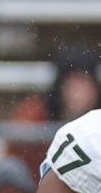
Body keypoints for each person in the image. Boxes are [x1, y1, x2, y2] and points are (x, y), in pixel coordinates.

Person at [7, 52, 101, 180]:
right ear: (61, 86)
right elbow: (14, 150)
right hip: (40, 188)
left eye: (85, 83)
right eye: (73, 84)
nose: (79, 92)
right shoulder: (35, 114)